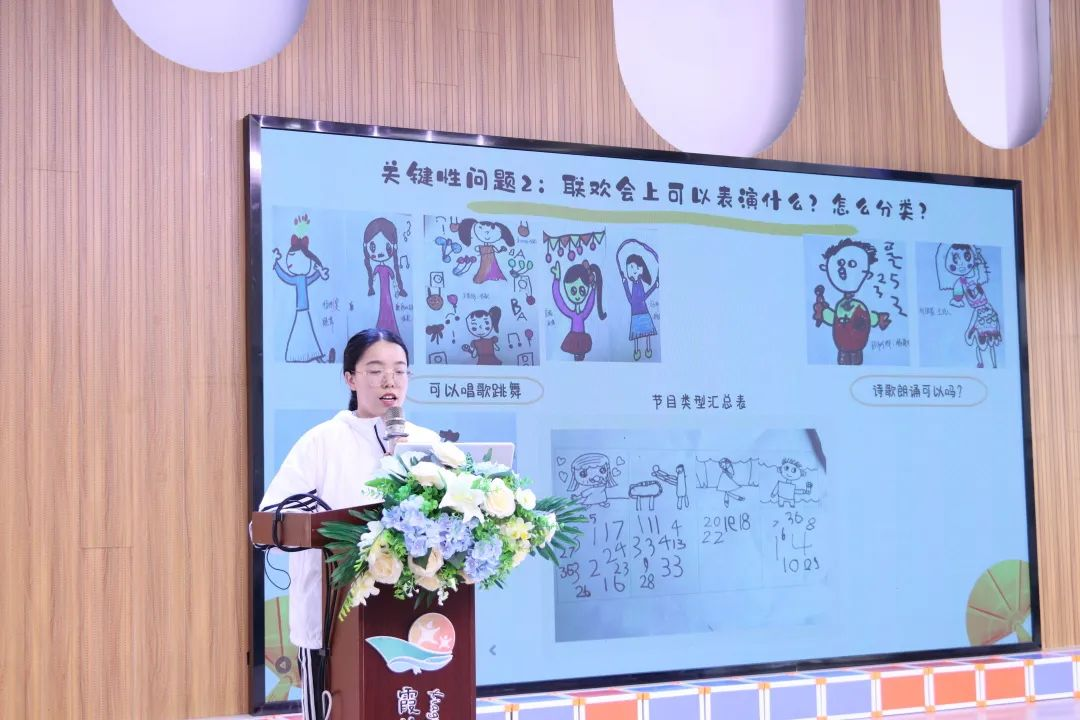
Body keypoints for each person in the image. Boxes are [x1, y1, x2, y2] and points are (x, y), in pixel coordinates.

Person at [259, 328, 439, 720]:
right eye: (375, 371)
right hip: (332, 624)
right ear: (350, 379)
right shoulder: (322, 441)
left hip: (413, 618)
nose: (390, 381)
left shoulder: (427, 443)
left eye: (400, 370)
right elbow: (269, 520)